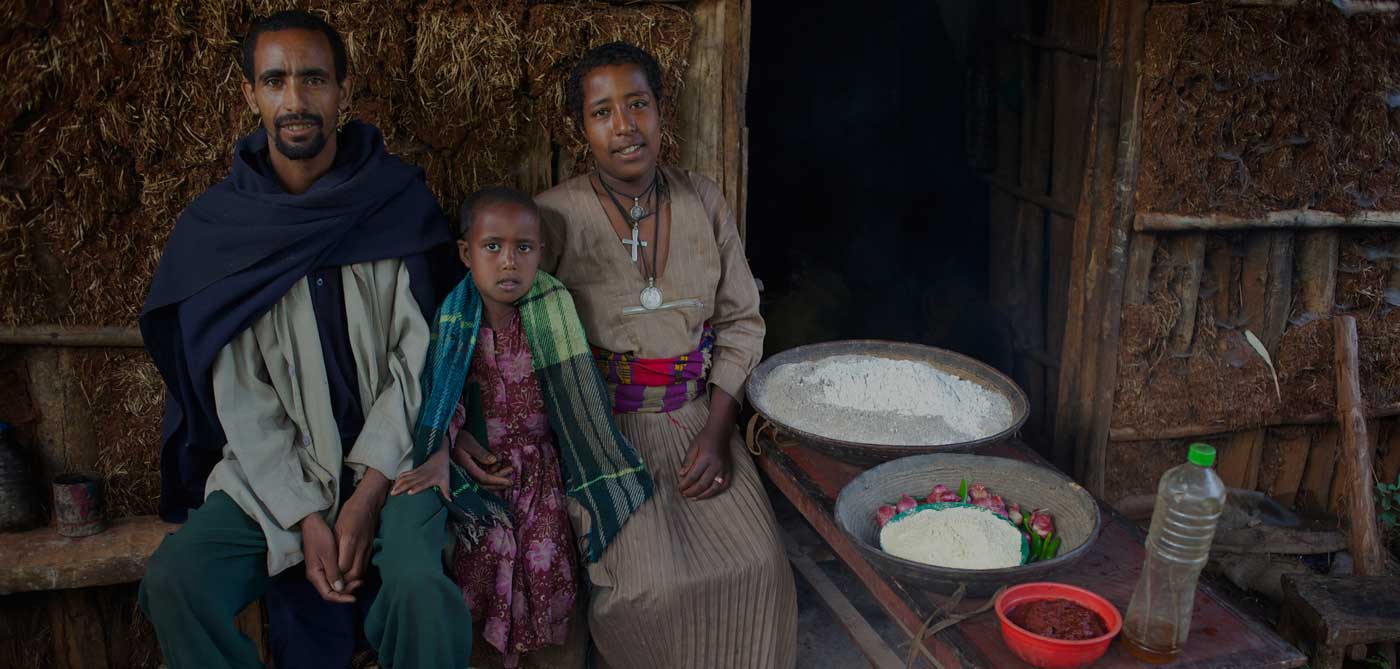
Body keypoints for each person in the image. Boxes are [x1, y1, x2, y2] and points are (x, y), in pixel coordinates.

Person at [136, 10, 470, 668]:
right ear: (250, 94)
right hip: (276, 473)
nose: (295, 99)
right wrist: (306, 516)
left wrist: (369, 494)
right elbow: (237, 397)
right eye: (276, 80)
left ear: (343, 89)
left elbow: (415, 359)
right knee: (177, 578)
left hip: (394, 463)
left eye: (314, 79)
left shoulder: (392, 202)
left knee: (419, 587)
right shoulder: (220, 232)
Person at [533, 42, 798, 668]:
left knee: (759, 566)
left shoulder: (703, 199)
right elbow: (513, 327)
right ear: (583, 128)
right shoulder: (553, 215)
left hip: (700, 419)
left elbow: (740, 321)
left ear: (661, 112)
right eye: (603, 112)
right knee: (648, 591)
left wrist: (717, 429)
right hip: (606, 434)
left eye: (638, 105)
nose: (625, 126)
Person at [391, 186, 652, 669]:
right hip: (482, 471)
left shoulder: (555, 312)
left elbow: (579, 405)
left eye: (523, 248)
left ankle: (551, 656)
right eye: (493, 247)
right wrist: (449, 444)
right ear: (467, 254)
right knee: (484, 558)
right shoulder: (452, 320)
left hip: (542, 469)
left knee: (549, 560)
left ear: (541, 254)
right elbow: (438, 399)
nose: (508, 261)